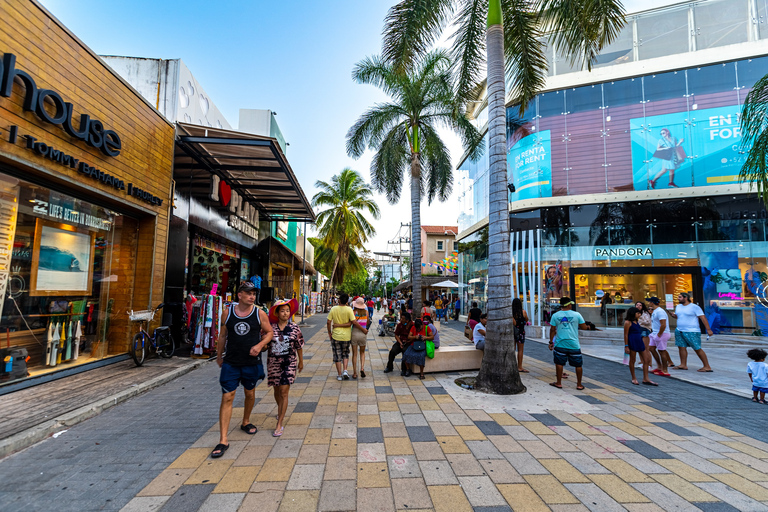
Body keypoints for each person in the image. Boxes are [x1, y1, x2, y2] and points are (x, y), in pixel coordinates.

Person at [213, 281, 273, 458]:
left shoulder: (259, 313)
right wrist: (218, 355)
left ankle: (245, 420)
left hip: (251, 362)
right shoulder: (228, 313)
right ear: (239, 295)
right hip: (231, 362)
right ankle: (223, 439)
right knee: (227, 396)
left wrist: (260, 345)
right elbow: (223, 335)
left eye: (254, 293)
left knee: (250, 393)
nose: (252, 296)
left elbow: (269, 332)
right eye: (248, 293)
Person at [267, 298, 304, 437]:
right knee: (277, 390)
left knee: (284, 391)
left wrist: (301, 362)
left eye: (287, 311)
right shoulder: (270, 327)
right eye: (282, 311)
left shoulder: (294, 327)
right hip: (273, 363)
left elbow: (299, 345)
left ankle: (279, 423)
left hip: (289, 362)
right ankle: (280, 409)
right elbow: (265, 344)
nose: (285, 313)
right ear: (277, 313)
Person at [548, 296, 589, 390]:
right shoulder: (577, 314)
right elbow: (584, 327)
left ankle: (559, 383)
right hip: (574, 344)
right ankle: (579, 384)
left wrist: (551, 342)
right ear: (569, 305)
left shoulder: (555, 315)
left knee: (559, 363)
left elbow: (552, 330)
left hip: (560, 343)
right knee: (578, 364)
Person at [668, 293, 713, 372]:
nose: (678, 299)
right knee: (681, 347)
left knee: (697, 348)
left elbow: (703, 318)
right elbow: (679, 317)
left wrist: (708, 329)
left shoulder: (694, 307)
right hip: (679, 330)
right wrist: (673, 316)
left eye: (680, 297)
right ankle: (683, 364)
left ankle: (707, 366)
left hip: (692, 331)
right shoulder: (678, 307)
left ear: (686, 298)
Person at [327, 293, 366, 381]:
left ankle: (339, 375)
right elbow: (352, 322)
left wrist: (330, 332)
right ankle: (345, 370)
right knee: (345, 354)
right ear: (347, 301)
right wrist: (363, 330)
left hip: (336, 336)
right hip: (346, 336)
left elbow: (328, 322)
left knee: (337, 356)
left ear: (339, 300)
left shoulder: (333, 309)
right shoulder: (349, 310)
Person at [623, 307, 657, 386]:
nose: (639, 315)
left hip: (639, 340)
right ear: (633, 313)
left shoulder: (636, 321)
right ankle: (633, 378)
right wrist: (626, 346)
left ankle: (646, 378)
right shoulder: (628, 322)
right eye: (638, 313)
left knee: (646, 360)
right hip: (632, 341)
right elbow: (626, 334)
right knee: (632, 360)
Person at [647, 297, 673, 376]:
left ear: (652, 303)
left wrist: (659, 334)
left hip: (661, 333)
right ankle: (659, 366)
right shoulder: (655, 311)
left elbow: (663, 324)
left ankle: (665, 370)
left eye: (649, 302)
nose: (648, 303)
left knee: (662, 351)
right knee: (651, 348)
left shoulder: (660, 312)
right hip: (655, 333)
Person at [350, 297, 369, 379]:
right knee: (362, 352)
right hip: (363, 334)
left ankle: (354, 373)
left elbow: (351, 322)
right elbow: (367, 322)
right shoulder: (366, 312)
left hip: (354, 333)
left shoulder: (353, 312)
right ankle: (362, 368)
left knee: (354, 354)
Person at [512, 298, 529, 373]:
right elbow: (527, 320)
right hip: (521, 332)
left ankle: (511, 365)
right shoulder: (523, 312)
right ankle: (520, 366)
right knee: (520, 350)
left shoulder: (511, 313)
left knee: (512, 349)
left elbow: (514, 323)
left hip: (512, 332)